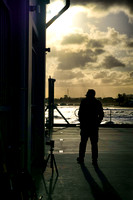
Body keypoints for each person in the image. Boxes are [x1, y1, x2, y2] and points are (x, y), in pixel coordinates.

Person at [77, 89, 104, 166]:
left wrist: (82, 123)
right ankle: (94, 160)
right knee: (94, 144)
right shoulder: (98, 103)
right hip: (94, 127)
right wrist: (97, 123)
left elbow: (80, 114)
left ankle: (81, 158)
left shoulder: (84, 102)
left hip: (85, 126)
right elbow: (101, 114)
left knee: (83, 143)